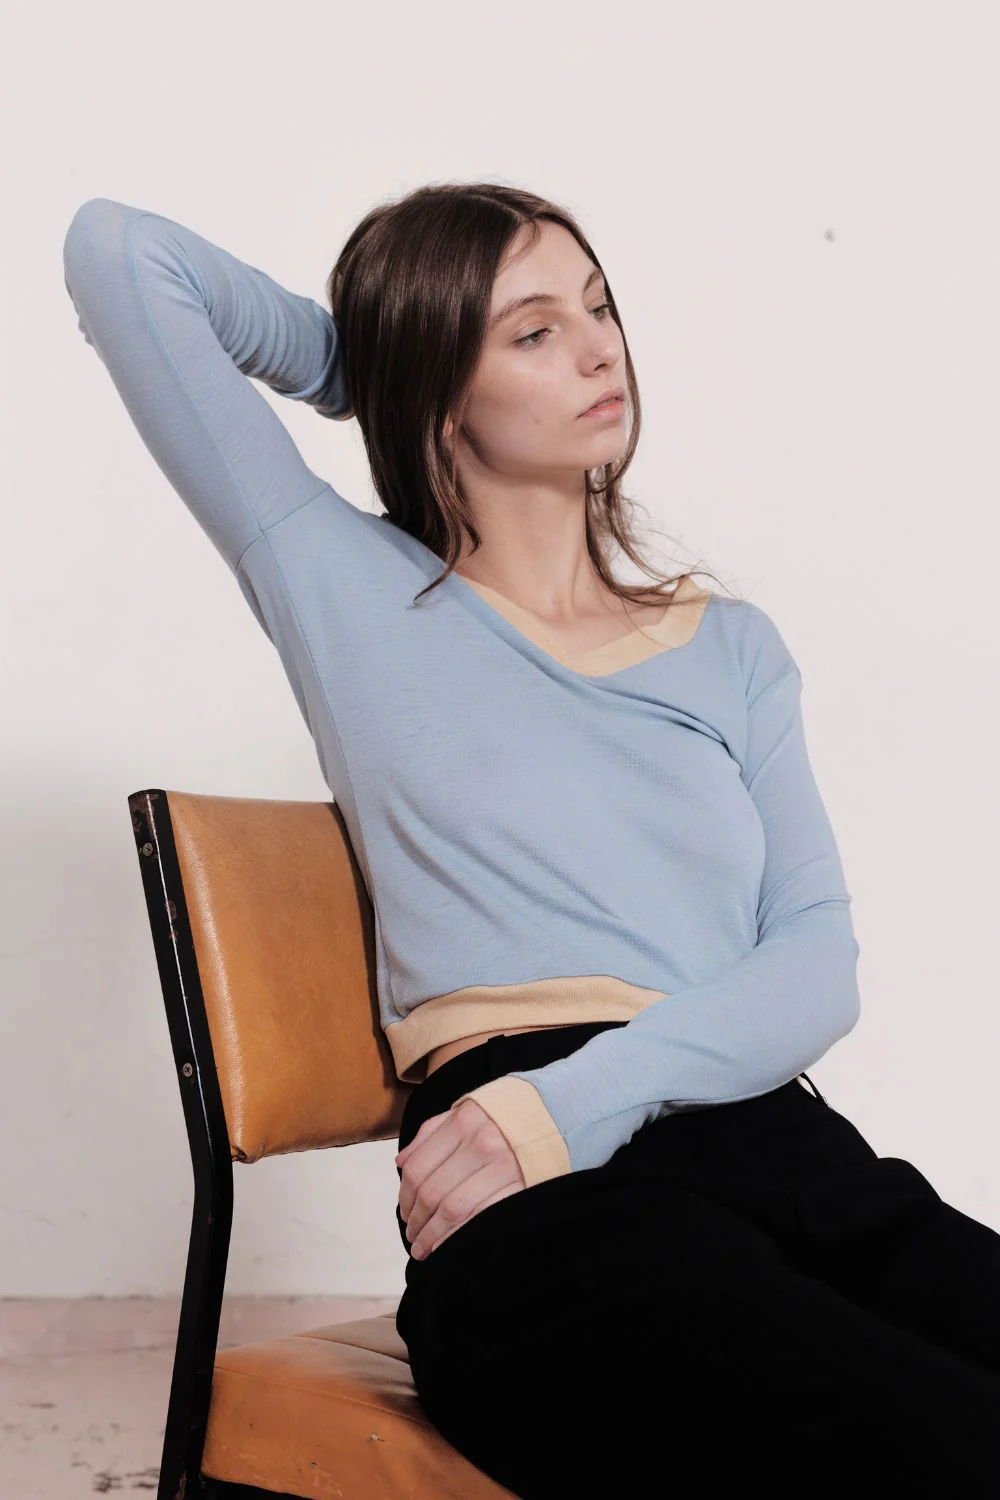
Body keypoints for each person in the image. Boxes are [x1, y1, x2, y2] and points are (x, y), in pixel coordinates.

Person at [63, 183, 1000, 1497]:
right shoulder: (346, 588)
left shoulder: (731, 648)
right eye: (533, 332)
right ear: (443, 392)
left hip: (770, 1149)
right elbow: (120, 255)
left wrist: (578, 1101)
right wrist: (386, 366)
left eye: (599, 308)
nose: (600, 349)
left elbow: (816, 960)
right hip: (540, 1203)